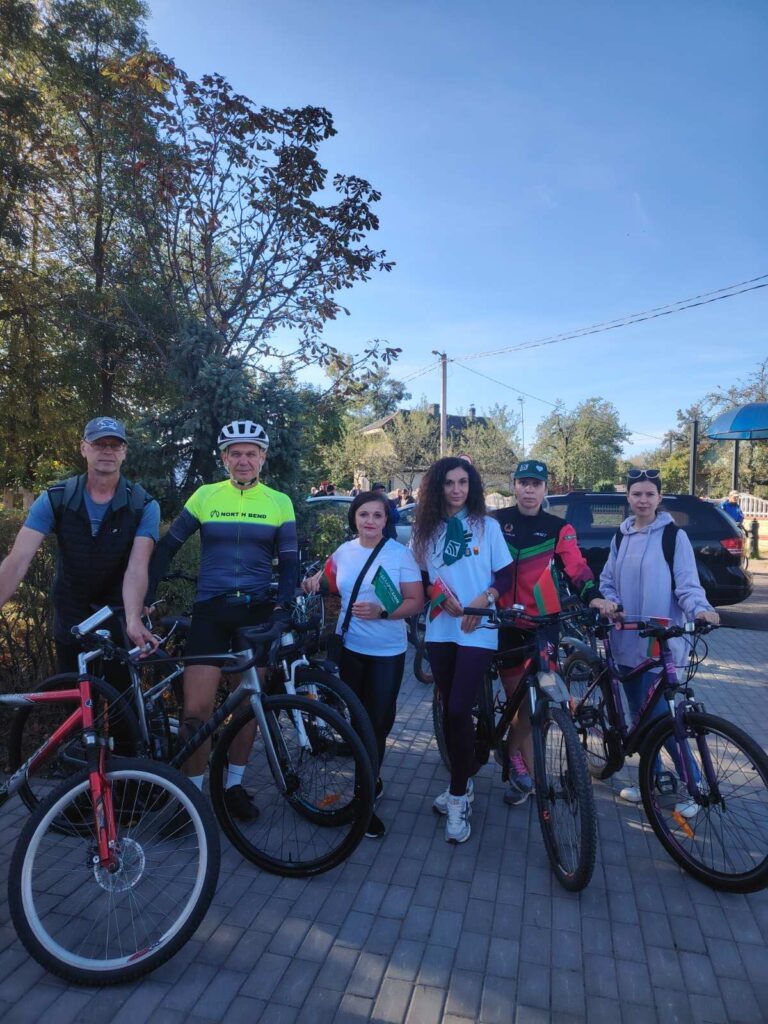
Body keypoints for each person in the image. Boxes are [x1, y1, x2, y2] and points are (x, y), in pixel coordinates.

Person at [148, 419, 298, 820]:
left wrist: (283, 607)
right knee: (196, 711)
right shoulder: (205, 495)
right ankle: (191, 798)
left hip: (256, 614)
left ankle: (233, 786)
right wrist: (145, 595)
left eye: (251, 453)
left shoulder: (279, 502)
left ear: (263, 458)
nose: (243, 460)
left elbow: (289, 563)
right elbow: (168, 546)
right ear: (224, 458)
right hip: (211, 612)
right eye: (236, 453)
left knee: (248, 706)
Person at [590, 468, 719, 813]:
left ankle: (693, 787)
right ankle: (651, 780)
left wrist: (701, 610)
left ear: (659, 498)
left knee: (663, 719)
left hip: (660, 642)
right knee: (639, 716)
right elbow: (607, 581)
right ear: (628, 498)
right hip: (625, 639)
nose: (643, 500)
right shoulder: (621, 537)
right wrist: (609, 602)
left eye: (649, 494)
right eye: (637, 494)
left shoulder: (673, 537)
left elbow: (688, 585)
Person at [303, 491, 423, 838]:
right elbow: (328, 580)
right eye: (364, 515)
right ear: (354, 518)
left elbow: (416, 602)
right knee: (358, 724)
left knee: (378, 724)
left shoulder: (400, 555)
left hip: (387, 652)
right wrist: (312, 582)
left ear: (387, 520)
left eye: (377, 515)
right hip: (350, 648)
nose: (370, 521)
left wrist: (382, 611)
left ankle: (364, 795)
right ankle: (367, 790)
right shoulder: (344, 551)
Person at [410, 457, 514, 844]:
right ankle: (464, 780)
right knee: (450, 711)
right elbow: (421, 577)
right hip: (441, 629)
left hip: (478, 628)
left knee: (457, 709)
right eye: (449, 483)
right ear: (438, 487)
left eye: (463, 482)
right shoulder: (425, 530)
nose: (457, 489)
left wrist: (484, 600)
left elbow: (504, 574)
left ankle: (457, 797)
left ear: (472, 487)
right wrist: (439, 596)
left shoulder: (487, 526)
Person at [0, 417, 160, 669]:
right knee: (74, 692)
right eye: (99, 444)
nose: (107, 451)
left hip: (118, 616)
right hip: (70, 617)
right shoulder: (55, 499)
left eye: (115, 445)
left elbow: (137, 568)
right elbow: (18, 560)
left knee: (120, 692)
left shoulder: (143, 505)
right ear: (83, 448)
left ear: (124, 452)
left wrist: (133, 618)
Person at [492, 459, 601, 805]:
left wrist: (594, 596)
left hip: (543, 624)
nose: (529, 490)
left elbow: (576, 567)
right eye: (523, 483)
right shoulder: (496, 522)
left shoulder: (558, 528)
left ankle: (518, 756)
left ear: (545, 489)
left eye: (536, 484)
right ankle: (525, 768)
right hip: (506, 623)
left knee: (541, 704)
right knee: (519, 704)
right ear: (514, 486)